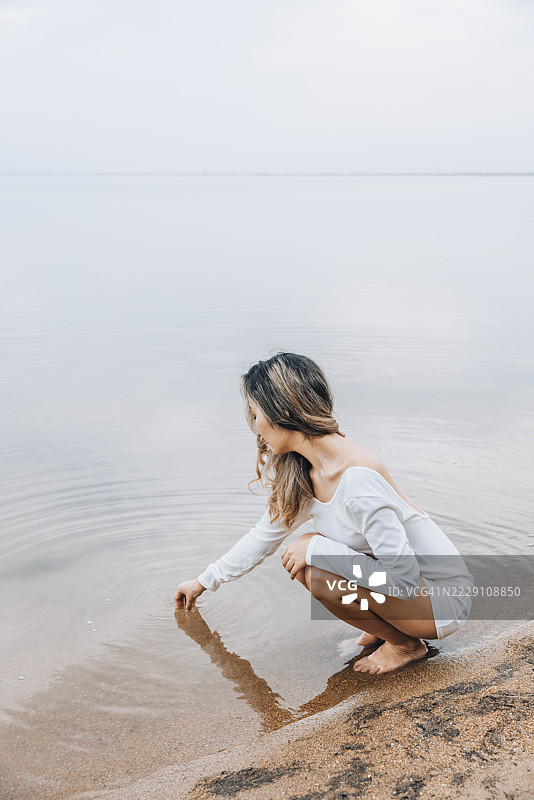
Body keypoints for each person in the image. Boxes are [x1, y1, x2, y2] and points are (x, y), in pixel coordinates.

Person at [174, 352, 473, 676]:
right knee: (306, 551)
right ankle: (383, 627)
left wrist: (317, 548)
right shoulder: (309, 471)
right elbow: (263, 536)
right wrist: (204, 581)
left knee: (311, 558)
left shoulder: (358, 479)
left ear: (283, 411)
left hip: (441, 603)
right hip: (411, 593)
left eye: (255, 413)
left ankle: (404, 645)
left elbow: (402, 580)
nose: (256, 426)